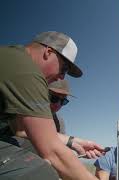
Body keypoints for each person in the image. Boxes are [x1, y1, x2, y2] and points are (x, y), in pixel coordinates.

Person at [0, 31, 103, 180]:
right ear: (48, 52)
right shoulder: (27, 71)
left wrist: (72, 141)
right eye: (64, 69)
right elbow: (53, 152)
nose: (61, 77)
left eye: (64, 101)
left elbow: (22, 131)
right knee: (41, 172)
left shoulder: (14, 58)